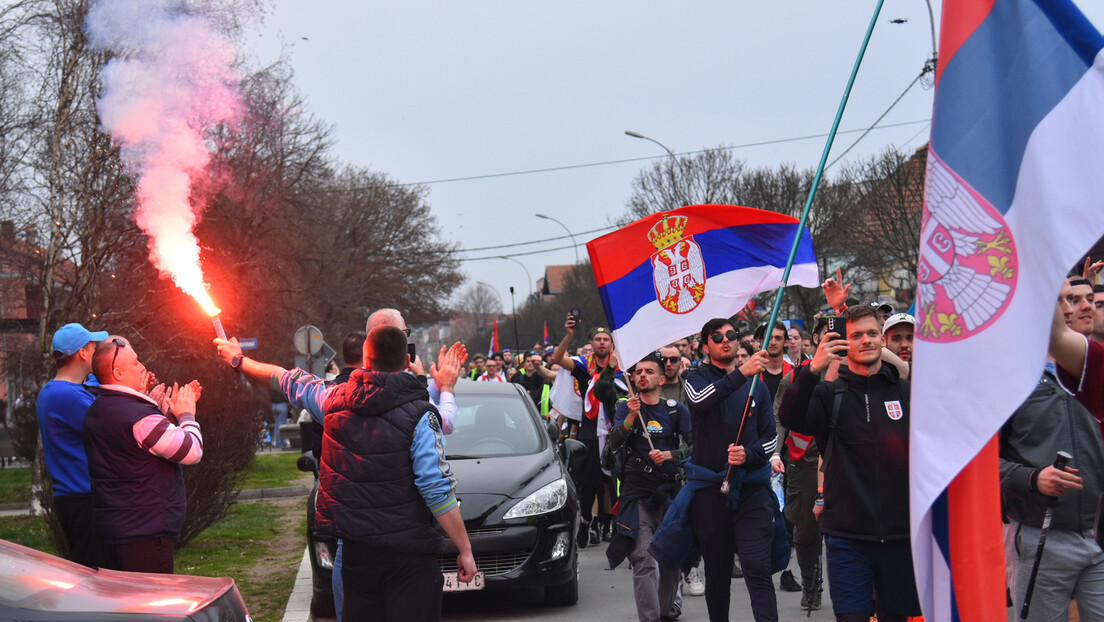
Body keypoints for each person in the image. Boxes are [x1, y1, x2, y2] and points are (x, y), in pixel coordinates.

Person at [318, 325, 476, 620]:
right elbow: (435, 488)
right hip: (409, 555)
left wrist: (241, 362)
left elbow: (289, 382)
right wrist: (464, 547)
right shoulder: (419, 413)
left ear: (366, 360)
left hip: (357, 551)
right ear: (406, 362)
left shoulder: (334, 403)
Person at [778, 305, 920, 622]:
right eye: (856, 335)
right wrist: (813, 369)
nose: (865, 340)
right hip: (847, 539)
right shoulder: (830, 395)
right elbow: (789, 416)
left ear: (882, 340)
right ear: (845, 342)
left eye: (872, 333)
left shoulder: (907, 393)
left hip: (900, 537)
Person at [998, 293, 1104, 620]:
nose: (1071, 309)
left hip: (1099, 538)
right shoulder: (1007, 378)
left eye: (1074, 299)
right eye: (1060, 300)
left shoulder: (1097, 369)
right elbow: (981, 466)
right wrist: (1032, 479)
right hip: (1038, 536)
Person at [83, 336, 202, 573]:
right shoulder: (139, 418)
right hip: (146, 532)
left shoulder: (98, 409)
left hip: (116, 528)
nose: (143, 367)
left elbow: (135, 452)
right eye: (136, 363)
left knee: (125, 604)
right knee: (152, 605)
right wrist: (187, 415)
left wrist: (164, 416)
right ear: (118, 373)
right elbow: (191, 451)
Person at [685, 318, 777, 622]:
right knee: (718, 572)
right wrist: (741, 373)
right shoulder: (695, 376)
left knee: (757, 569)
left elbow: (771, 438)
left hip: (752, 491)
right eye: (717, 336)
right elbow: (700, 400)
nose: (726, 340)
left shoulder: (757, 386)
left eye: (731, 335)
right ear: (705, 344)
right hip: (711, 494)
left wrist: (748, 455)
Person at [606, 352, 692, 622]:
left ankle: (666, 609)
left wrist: (671, 456)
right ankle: (650, 618)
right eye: (638, 372)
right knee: (643, 559)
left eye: (649, 371)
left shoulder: (676, 409)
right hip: (636, 494)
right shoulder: (625, 406)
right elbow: (613, 446)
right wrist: (631, 417)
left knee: (669, 559)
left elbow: (696, 447)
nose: (642, 375)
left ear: (661, 377)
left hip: (668, 493)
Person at [36, 322, 109, 567]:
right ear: (82, 353)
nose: (97, 351)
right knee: (96, 576)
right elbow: (111, 426)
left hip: (74, 497)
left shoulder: (55, 391)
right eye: (93, 346)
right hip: (83, 500)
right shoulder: (69, 397)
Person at [552, 316, 626, 548]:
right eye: (597, 339)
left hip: (616, 432)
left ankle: (614, 525)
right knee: (589, 482)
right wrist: (569, 335)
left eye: (606, 339)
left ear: (612, 345)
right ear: (591, 344)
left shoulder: (623, 369)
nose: (602, 343)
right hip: (590, 432)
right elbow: (557, 359)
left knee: (616, 481)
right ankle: (585, 521)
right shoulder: (585, 367)